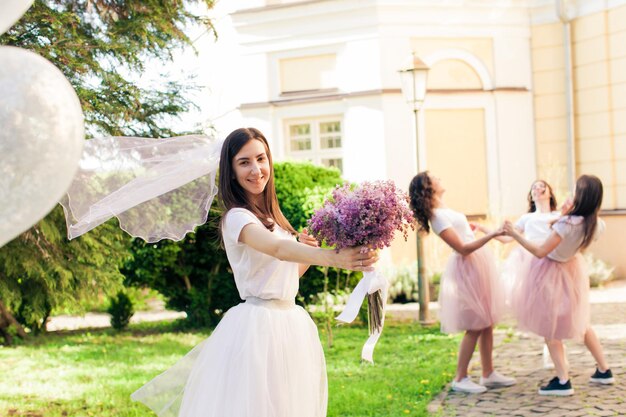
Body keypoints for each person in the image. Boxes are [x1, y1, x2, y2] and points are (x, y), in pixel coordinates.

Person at [130, 127, 378, 417]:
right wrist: (335, 258)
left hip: (291, 322)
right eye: (244, 162)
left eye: (261, 158)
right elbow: (276, 249)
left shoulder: (273, 217)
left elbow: (283, 274)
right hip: (258, 328)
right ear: (231, 171)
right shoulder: (237, 218)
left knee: (287, 405)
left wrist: (308, 254)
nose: (256, 169)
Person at [503, 174, 614, 396]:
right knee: (581, 322)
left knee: (549, 325)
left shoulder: (566, 223)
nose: (570, 194)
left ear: (581, 196)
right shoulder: (596, 224)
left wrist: (514, 234)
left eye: (575, 191)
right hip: (571, 270)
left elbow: (540, 252)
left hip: (549, 271)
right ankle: (604, 370)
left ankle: (563, 381)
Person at [409, 171, 516, 394]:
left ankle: (488, 374)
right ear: (428, 187)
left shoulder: (443, 210)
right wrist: (492, 234)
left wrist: (472, 228)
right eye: (433, 177)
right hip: (468, 269)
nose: (439, 177)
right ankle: (460, 377)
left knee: (487, 322)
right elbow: (463, 248)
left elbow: (462, 233)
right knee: (475, 324)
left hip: (478, 265)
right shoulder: (436, 217)